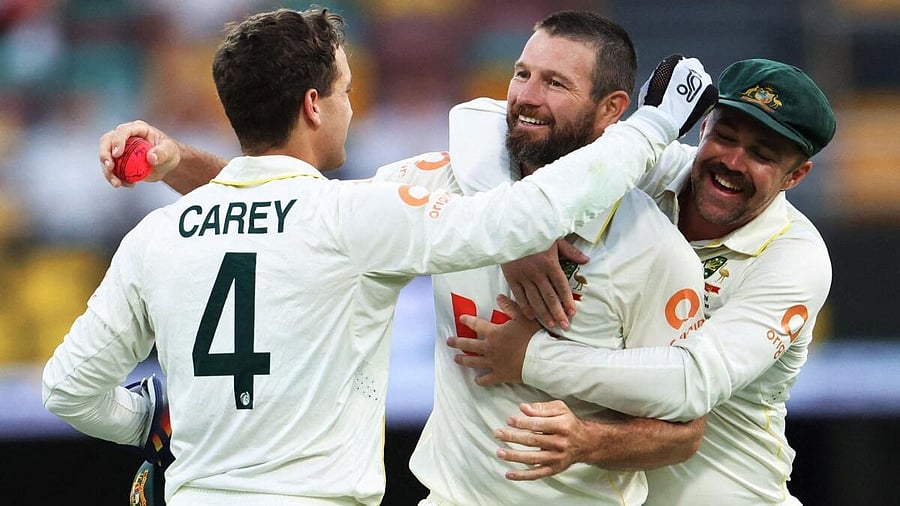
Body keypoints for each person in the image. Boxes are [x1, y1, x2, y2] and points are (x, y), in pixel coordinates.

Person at [48, 6, 716, 506]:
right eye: (343, 91)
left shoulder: (157, 236)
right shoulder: (355, 219)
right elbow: (522, 215)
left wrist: (145, 418)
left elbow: (67, 389)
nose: (351, 107)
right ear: (314, 105)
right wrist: (655, 126)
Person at [448, 57, 836, 506]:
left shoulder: (794, 258)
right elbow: (478, 120)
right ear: (703, 126)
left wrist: (531, 357)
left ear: (796, 175)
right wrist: (518, 232)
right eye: (725, 137)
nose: (732, 161)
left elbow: (692, 384)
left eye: (762, 155)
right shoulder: (651, 165)